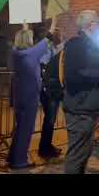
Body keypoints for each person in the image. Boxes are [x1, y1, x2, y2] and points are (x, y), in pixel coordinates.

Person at [62, 10, 99, 174]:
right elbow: (72, 76)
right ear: (92, 25)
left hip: (88, 108)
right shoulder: (76, 44)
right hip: (79, 109)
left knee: (84, 153)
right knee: (77, 155)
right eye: (98, 22)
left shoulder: (92, 45)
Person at [8, 17, 58, 169]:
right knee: (25, 130)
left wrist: (24, 25)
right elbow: (49, 37)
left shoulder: (15, 53)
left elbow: (23, 37)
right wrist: (54, 20)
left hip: (18, 95)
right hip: (30, 96)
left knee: (19, 128)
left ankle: (12, 157)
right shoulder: (33, 53)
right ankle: (20, 161)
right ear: (28, 40)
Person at [38, 27, 65, 159]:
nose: (59, 35)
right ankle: (44, 149)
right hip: (48, 89)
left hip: (53, 88)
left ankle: (47, 146)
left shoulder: (53, 48)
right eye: (57, 33)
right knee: (49, 120)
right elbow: (46, 66)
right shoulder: (46, 50)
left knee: (51, 120)